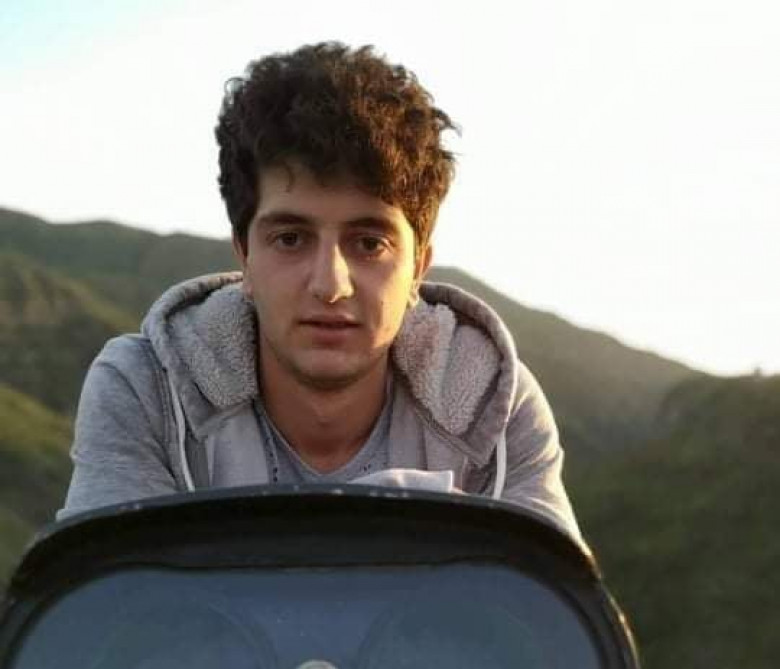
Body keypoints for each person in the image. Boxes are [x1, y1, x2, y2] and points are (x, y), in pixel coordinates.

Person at [59, 42, 579, 541]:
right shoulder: (147, 387)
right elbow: (112, 598)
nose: (330, 285)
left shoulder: (493, 401)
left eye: (369, 243)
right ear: (244, 255)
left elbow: (544, 597)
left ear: (419, 266)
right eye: (290, 239)